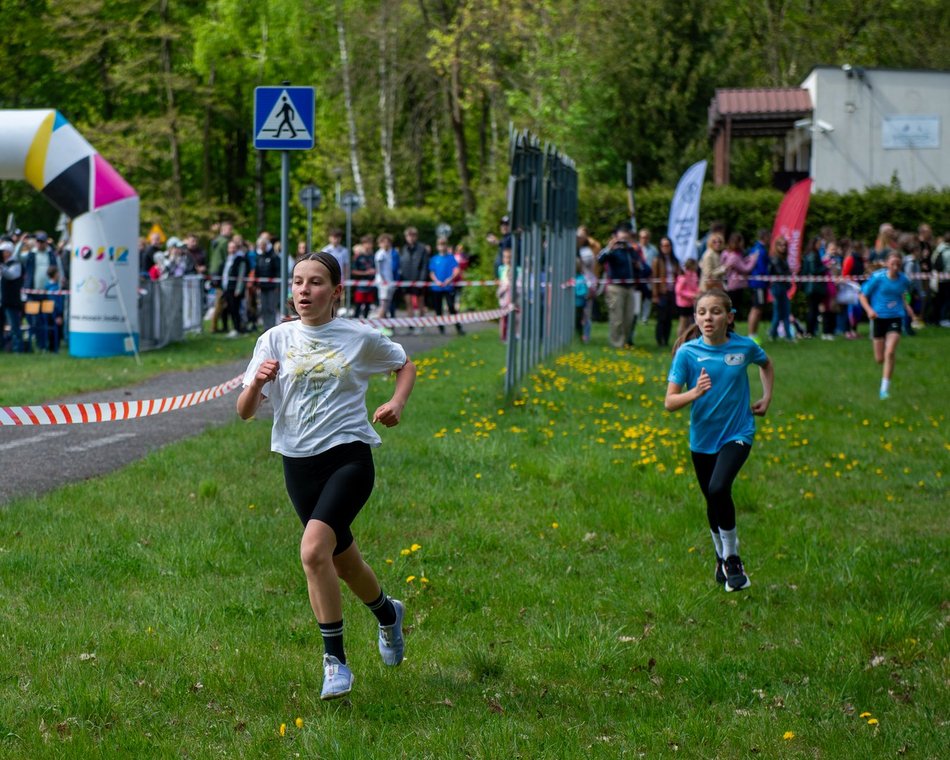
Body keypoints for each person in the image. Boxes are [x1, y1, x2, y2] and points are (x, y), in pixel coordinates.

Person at [236, 252, 416, 701]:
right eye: (298, 282)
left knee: (314, 550)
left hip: (348, 457)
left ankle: (335, 662)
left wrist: (396, 403)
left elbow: (404, 364)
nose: (303, 291)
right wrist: (257, 384)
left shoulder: (358, 337)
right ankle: (388, 614)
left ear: (336, 291)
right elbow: (243, 412)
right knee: (342, 560)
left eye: (315, 283)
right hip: (297, 463)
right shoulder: (274, 339)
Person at [665, 289, 774, 593]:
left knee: (719, 488)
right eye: (701, 312)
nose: (707, 318)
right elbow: (670, 402)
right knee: (712, 499)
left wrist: (766, 397)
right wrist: (695, 393)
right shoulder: (687, 353)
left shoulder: (744, 347)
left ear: (730, 317)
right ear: (695, 318)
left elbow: (766, 364)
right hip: (702, 439)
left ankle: (733, 558)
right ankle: (720, 557)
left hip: (738, 432)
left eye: (715, 312)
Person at [858, 250, 917, 400]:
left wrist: (908, 308)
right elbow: (862, 295)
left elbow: (903, 295)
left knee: (890, 352)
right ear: (886, 264)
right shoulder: (877, 278)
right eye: (893, 263)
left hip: (895, 317)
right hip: (878, 318)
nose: (895, 267)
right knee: (879, 359)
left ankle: (884, 390)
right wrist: (869, 310)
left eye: (898, 264)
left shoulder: (904, 280)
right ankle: (884, 360)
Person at [597, 224, 639, 348]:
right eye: (621, 237)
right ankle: (617, 344)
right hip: (616, 288)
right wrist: (610, 247)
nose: (623, 240)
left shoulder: (630, 251)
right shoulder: (612, 250)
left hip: (630, 288)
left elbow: (640, 265)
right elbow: (600, 259)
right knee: (617, 318)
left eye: (626, 236)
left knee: (628, 318)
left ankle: (625, 342)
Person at [428, 237, 464, 335]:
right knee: (438, 309)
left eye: (444, 244)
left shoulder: (451, 258)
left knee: (451, 307)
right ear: (437, 246)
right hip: (437, 288)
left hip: (448, 287)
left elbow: (457, 270)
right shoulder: (434, 259)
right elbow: (431, 273)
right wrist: (437, 281)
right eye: (440, 245)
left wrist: (450, 279)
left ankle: (458, 327)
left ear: (446, 246)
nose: (442, 247)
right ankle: (441, 328)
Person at [721, 232, 757, 322]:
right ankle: (730, 329)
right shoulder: (734, 256)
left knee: (732, 308)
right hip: (735, 286)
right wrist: (753, 259)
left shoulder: (730, 254)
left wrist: (747, 258)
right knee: (733, 309)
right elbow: (745, 269)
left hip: (733, 285)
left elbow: (740, 263)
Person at [651, 236, 680, 347]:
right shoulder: (657, 260)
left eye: (667, 245)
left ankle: (666, 340)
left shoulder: (674, 260)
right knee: (661, 318)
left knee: (669, 318)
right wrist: (655, 295)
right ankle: (659, 341)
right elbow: (654, 279)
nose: (665, 247)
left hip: (672, 292)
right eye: (663, 245)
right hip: (661, 293)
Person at [400, 227, 430, 326]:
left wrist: (422, 280)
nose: (411, 238)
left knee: (420, 303)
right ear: (406, 237)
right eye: (409, 235)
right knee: (409, 303)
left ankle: (421, 324)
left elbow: (425, 265)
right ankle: (411, 325)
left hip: (418, 280)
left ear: (416, 236)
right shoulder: (404, 249)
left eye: (413, 235)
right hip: (406, 280)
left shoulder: (422, 249)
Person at [219, 239, 249, 336]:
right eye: (230, 247)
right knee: (228, 309)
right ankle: (229, 327)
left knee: (236, 309)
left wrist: (238, 289)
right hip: (226, 288)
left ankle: (238, 328)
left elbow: (241, 275)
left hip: (234, 289)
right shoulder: (227, 259)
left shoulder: (240, 259)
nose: (231, 249)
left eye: (233, 247)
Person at [801, 236, 828, 338]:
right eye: (818, 244)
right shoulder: (813, 255)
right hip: (813, 287)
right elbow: (814, 271)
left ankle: (812, 331)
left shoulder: (813, 254)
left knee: (814, 309)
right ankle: (810, 331)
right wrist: (825, 266)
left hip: (813, 286)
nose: (820, 245)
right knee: (812, 309)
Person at [746, 229, 770, 343]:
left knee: (757, 308)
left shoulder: (755, 248)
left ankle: (753, 333)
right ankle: (751, 334)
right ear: (765, 237)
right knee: (757, 309)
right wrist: (768, 277)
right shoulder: (760, 250)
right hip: (759, 283)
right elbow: (761, 268)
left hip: (756, 282)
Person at [1, 240, 25, 353]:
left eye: (3, 251)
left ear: (9, 252)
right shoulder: (4, 264)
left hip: (12, 301)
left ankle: (17, 350)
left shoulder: (16, 264)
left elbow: (11, 275)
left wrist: (1, 266)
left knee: (15, 327)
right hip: (3, 301)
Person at [768, 237, 793, 341]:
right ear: (776, 246)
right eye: (781, 245)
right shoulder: (775, 259)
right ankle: (773, 334)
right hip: (777, 287)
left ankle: (787, 335)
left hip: (783, 287)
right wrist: (789, 273)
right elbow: (780, 273)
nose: (783, 247)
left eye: (784, 245)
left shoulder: (784, 258)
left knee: (786, 312)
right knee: (778, 313)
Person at [373, 234, 396, 336]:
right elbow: (379, 269)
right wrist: (384, 281)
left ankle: (383, 326)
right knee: (383, 304)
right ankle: (377, 326)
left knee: (386, 305)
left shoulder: (390, 253)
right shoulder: (380, 254)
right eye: (383, 242)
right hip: (383, 283)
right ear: (380, 243)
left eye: (388, 242)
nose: (386, 244)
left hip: (390, 282)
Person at [674, 258, 700, 339]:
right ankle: (679, 340)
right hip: (683, 303)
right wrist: (692, 295)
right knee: (682, 323)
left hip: (690, 303)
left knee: (689, 323)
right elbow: (678, 291)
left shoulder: (694, 275)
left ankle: (687, 339)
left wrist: (699, 292)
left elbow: (694, 286)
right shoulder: (683, 276)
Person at [351, 243, 377, 319]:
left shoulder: (373, 257)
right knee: (358, 306)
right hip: (360, 286)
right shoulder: (358, 257)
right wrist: (366, 273)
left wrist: (374, 271)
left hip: (370, 285)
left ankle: (365, 324)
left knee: (367, 306)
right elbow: (353, 271)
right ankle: (355, 323)